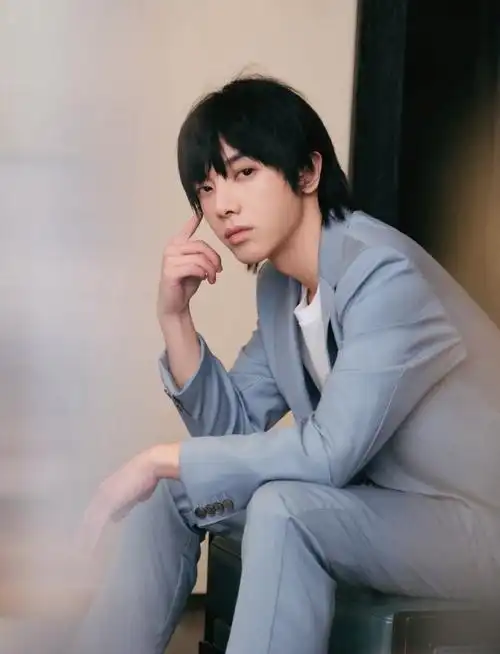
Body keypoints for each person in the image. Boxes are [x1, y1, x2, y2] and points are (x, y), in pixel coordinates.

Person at [71, 76, 500, 654]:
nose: (223, 205)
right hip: (387, 511)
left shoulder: (383, 274)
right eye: (206, 188)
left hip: (477, 526)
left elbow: (329, 453)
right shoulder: (281, 288)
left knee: (284, 508)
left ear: (307, 173)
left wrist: (156, 457)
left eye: (244, 173)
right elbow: (231, 435)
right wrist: (175, 319)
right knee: (172, 490)